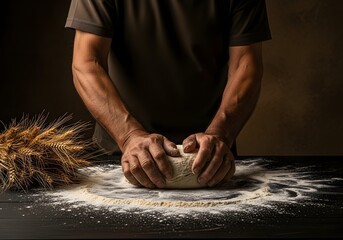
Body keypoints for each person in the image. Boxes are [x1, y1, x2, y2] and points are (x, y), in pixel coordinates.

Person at [65, 0, 271, 189]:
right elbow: (87, 64)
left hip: (209, 159)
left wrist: (221, 134)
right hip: (120, 157)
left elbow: (246, 65)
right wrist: (129, 136)